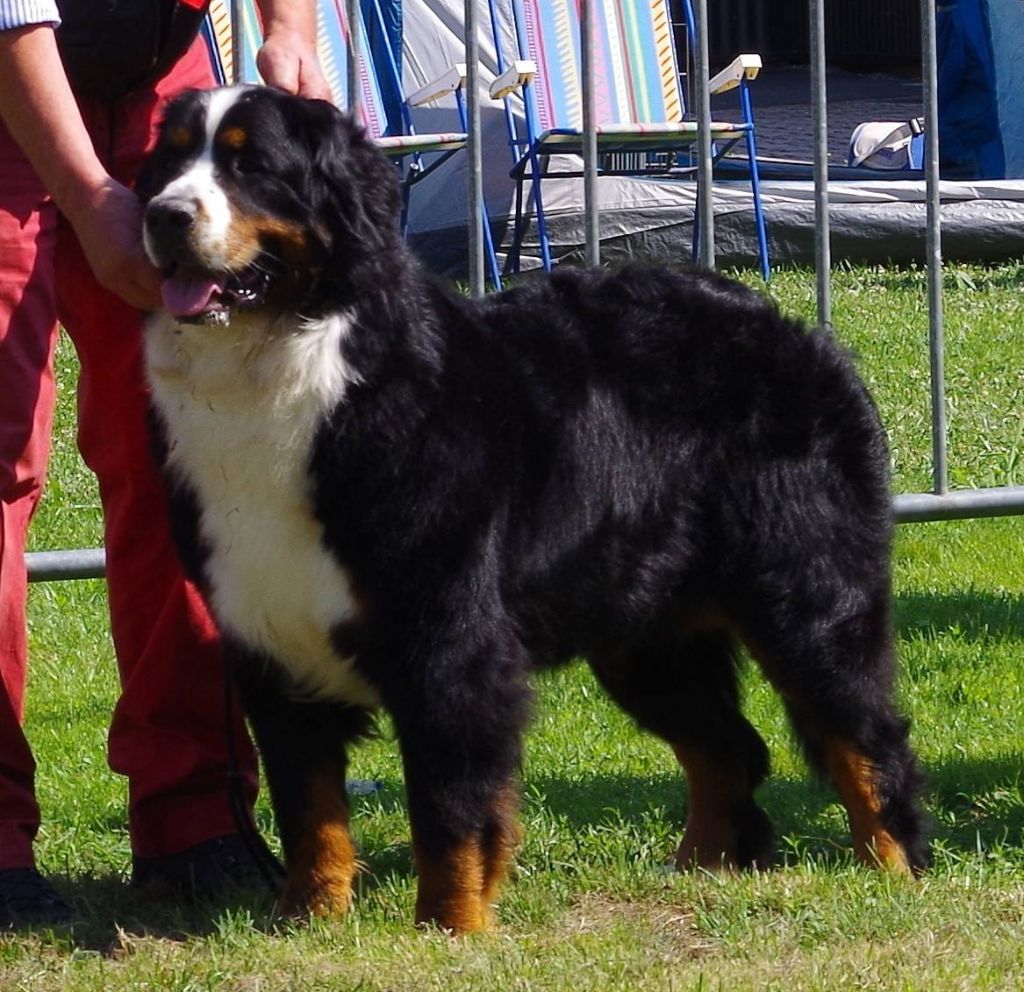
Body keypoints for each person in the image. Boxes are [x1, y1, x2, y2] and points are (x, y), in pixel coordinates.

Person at [0, 0, 331, 927]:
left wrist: (290, 32)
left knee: (191, 455)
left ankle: (194, 820)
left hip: (154, 78)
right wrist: (90, 192)